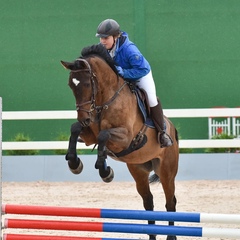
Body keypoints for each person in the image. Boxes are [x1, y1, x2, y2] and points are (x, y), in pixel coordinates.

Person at [95, 19, 173, 148]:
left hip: (140, 76)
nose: (103, 41)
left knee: (152, 99)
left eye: (106, 38)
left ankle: (162, 133)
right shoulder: (103, 48)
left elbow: (142, 69)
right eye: (101, 38)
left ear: (115, 37)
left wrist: (124, 73)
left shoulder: (130, 50)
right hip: (121, 78)